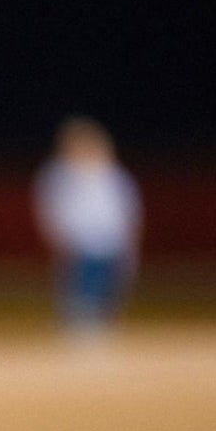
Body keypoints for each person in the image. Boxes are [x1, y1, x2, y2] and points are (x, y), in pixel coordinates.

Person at [33, 118, 142, 336]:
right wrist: (59, 236)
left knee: (107, 290)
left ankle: (100, 331)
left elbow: (129, 213)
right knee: (80, 290)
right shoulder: (61, 175)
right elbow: (52, 208)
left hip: (111, 242)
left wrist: (130, 244)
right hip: (80, 242)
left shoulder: (114, 176)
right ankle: (80, 331)